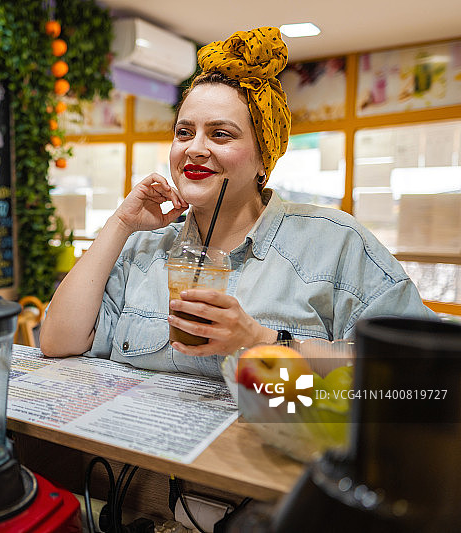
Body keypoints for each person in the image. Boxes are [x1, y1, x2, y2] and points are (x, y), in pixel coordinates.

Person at [39, 27, 435, 378]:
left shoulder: (336, 244)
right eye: (184, 132)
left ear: (264, 158)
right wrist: (121, 223)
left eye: (221, 134)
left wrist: (265, 341)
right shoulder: (145, 246)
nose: (195, 149)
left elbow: (419, 363)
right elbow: (58, 340)